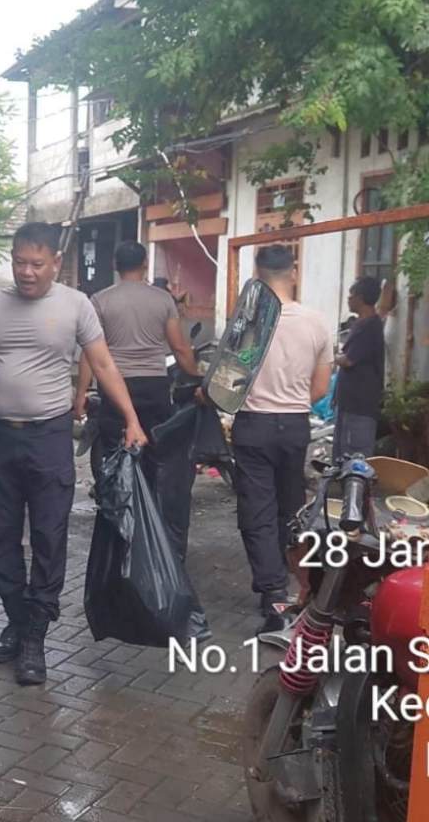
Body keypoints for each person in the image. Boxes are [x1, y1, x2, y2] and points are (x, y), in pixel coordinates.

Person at [0, 221, 147, 687]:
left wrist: (130, 418)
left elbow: (103, 363)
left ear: (56, 263)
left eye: (36, 264)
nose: (26, 273)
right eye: (19, 262)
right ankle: (17, 619)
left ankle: (34, 638)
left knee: (49, 536)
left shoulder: (76, 305)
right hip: (1, 438)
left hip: (49, 438)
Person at [227, 241, 333, 637]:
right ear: (293, 273)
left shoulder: (247, 321)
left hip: (253, 425)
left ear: (257, 277)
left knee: (256, 511)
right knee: (289, 508)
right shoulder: (318, 322)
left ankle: (274, 595)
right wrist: (288, 402)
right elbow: (321, 389)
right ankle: (298, 590)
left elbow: (228, 381)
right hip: (294, 426)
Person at [76, 243, 202, 568]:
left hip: (115, 388)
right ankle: (149, 529)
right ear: (145, 264)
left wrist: (80, 395)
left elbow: (92, 353)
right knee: (151, 459)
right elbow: (179, 346)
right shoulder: (162, 299)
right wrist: (199, 375)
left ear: (116, 265)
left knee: (114, 459)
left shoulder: (100, 300)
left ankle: (119, 530)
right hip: (155, 388)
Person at [334, 274, 388, 463]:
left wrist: (328, 355)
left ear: (361, 298)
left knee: (356, 458)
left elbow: (348, 360)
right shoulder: (362, 324)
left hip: (360, 406)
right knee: (343, 453)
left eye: (352, 294)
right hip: (351, 404)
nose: (349, 298)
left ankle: (357, 491)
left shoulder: (369, 326)